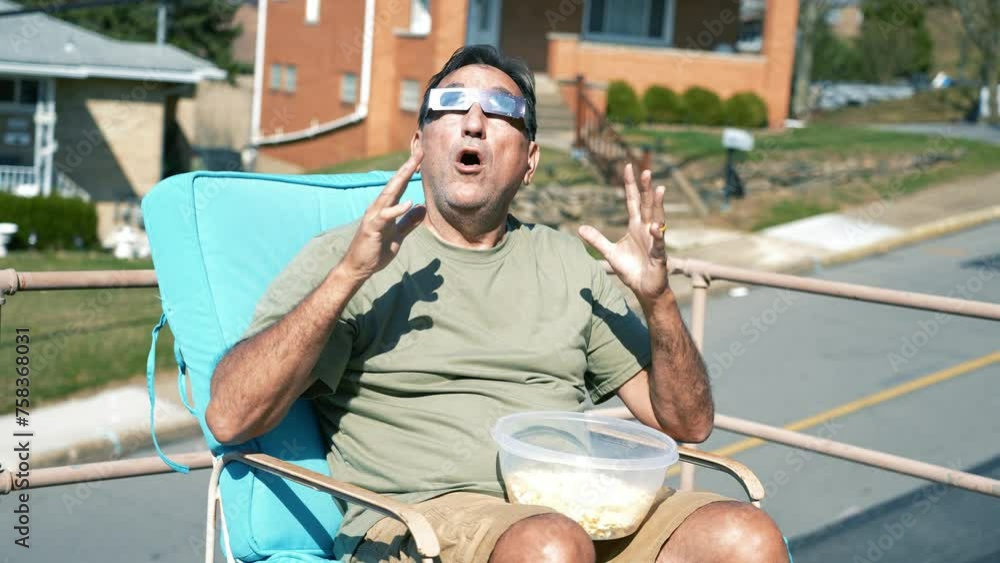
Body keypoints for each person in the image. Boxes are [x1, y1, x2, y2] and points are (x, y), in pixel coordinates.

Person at [205, 45, 789, 563]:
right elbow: (231, 417)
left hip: (577, 510)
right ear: (419, 143)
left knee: (745, 537)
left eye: (500, 110)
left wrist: (657, 300)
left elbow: (688, 424)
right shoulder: (353, 256)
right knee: (551, 545)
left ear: (529, 161)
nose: (474, 123)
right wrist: (348, 277)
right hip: (423, 523)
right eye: (450, 104)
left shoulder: (569, 265)